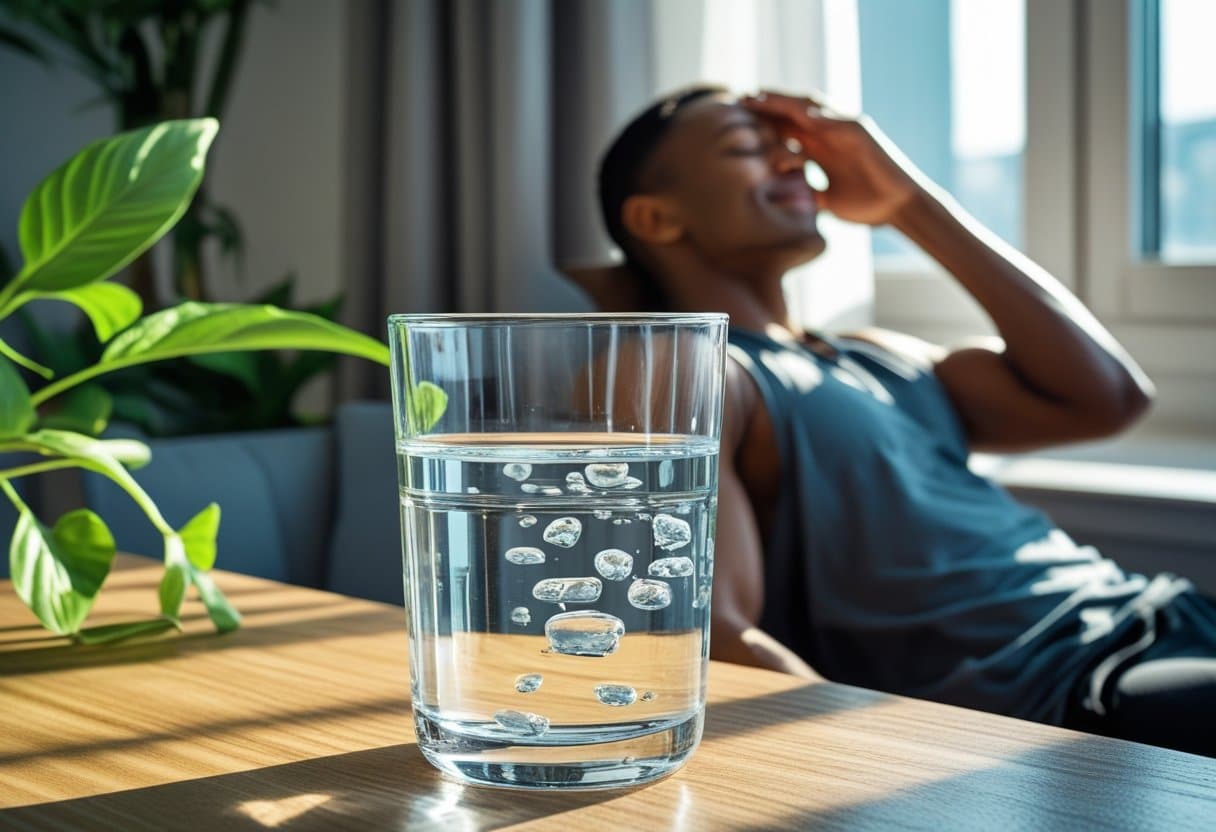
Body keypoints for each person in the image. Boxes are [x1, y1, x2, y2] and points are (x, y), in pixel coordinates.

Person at [588, 85, 1216, 756]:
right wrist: (889, 777)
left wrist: (907, 203)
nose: (794, 164)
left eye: (793, 151)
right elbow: (716, 635)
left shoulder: (879, 353)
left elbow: (1110, 398)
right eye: (747, 149)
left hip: (1162, 612)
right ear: (656, 219)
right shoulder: (686, 364)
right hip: (1065, 682)